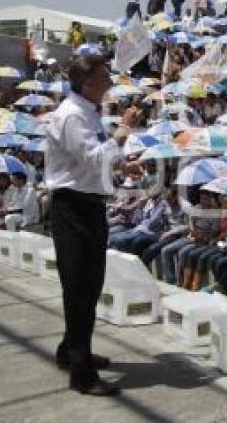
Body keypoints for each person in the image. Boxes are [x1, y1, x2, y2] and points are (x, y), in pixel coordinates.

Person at [45, 55, 141, 396]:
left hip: (88, 205)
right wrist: (124, 129)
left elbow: (96, 161)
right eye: (104, 77)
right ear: (88, 84)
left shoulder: (86, 111)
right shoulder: (73, 115)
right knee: (80, 289)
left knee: (88, 286)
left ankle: (70, 351)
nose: (110, 83)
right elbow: (93, 157)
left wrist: (121, 168)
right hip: (73, 208)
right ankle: (81, 373)